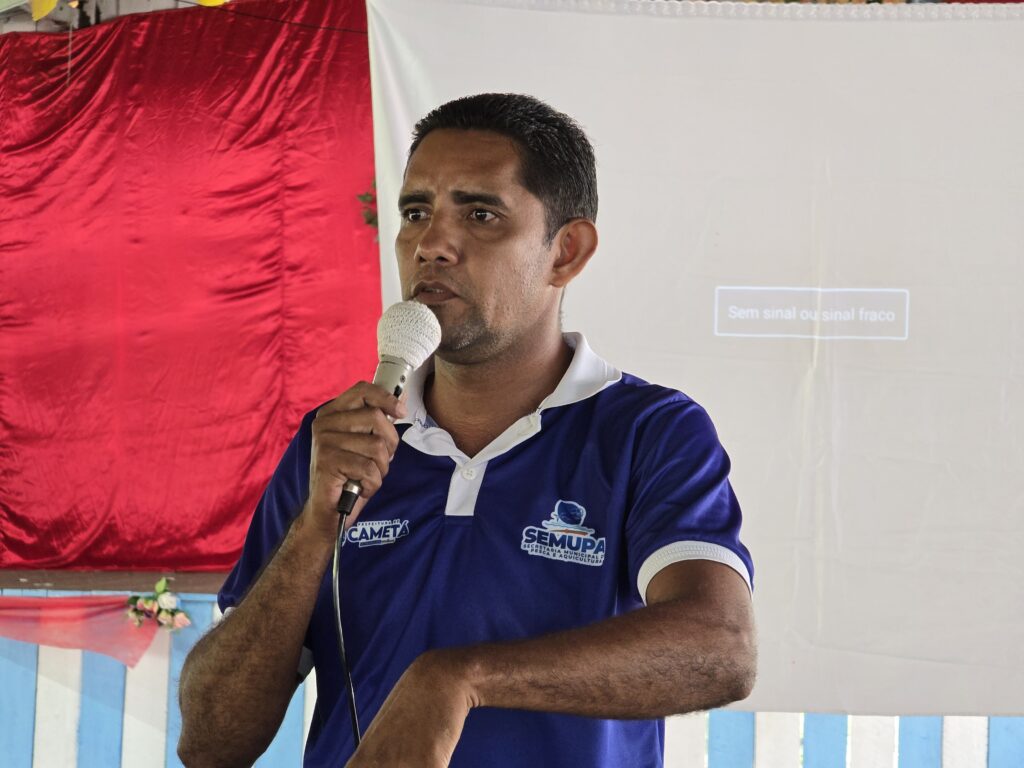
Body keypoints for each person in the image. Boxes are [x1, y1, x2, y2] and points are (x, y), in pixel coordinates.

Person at [177, 93, 756, 768]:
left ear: (565, 252)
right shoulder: (334, 441)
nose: (431, 246)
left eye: (480, 215)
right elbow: (211, 742)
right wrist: (313, 531)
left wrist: (461, 681)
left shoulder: (647, 432)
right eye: (415, 213)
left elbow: (722, 648)